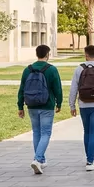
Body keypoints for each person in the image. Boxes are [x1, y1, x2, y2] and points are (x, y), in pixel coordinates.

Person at [17, 45, 63, 175]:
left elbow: (21, 89)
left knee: (36, 132)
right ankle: (37, 159)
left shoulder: (28, 70)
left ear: (37, 54)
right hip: (47, 106)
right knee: (46, 133)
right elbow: (57, 88)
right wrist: (59, 103)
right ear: (48, 54)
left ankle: (41, 160)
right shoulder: (52, 70)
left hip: (31, 105)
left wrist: (20, 106)